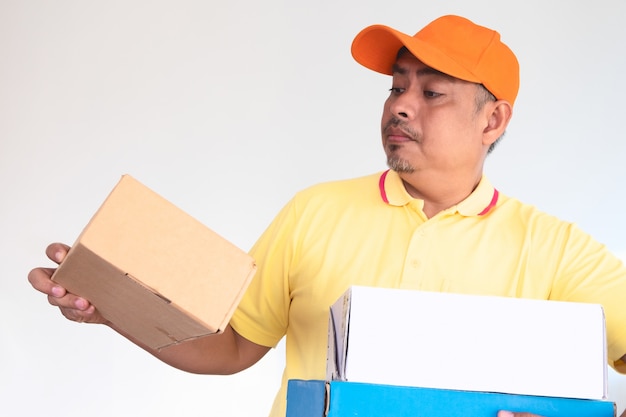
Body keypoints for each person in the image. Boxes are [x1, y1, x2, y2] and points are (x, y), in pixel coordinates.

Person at [28, 14, 626, 417]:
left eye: (431, 92)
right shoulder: (315, 211)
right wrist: (113, 309)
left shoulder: (556, 250)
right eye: (395, 88)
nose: (401, 108)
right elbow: (233, 346)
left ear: (492, 120)